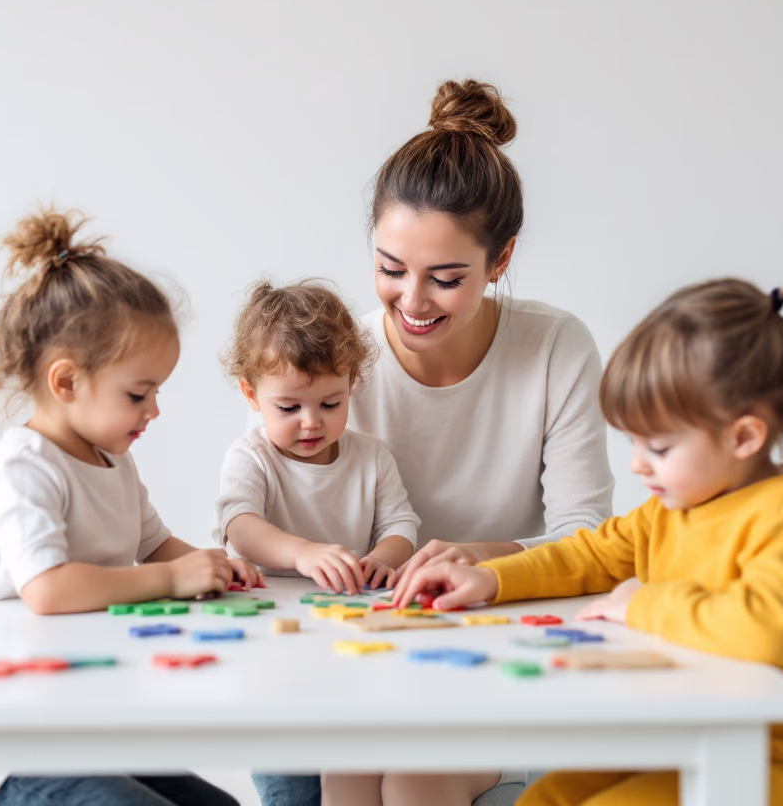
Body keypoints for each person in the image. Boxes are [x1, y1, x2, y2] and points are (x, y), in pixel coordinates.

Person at [255, 78, 615, 806]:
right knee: (323, 776)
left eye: (446, 279)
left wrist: (482, 558)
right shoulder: (333, 355)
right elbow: (258, 494)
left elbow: (588, 538)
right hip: (352, 657)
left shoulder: (554, 348)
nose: (412, 302)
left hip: (487, 653)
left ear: (501, 261)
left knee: (418, 780)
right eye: (390, 270)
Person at [399, 279, 783, 806]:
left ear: (744, 437)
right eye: (631, 442)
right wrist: (490, 578)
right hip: (690, 734)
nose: (637, 465)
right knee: (545, 798)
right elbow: (588, 554)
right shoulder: (669, 510)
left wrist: (642, 604)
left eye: (659, 446)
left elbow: (769, 633)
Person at [0, 206, 258, 806]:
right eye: (139, 393)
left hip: (76, 718)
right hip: (6, 744)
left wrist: (213, 565)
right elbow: (48, 590)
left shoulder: (112, 458)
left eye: (157, 392)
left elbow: (153, 542)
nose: (154, 411)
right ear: (66, 383)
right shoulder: (25, 466)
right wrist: (170, 577)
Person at [214, 278, 418, 594]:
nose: (311, 422)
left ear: (352, 383)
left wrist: (382, 559)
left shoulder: (372, 457)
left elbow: (400, 526)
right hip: (266, 603)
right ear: (251, 394)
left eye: (330, 404)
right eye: (288, 408)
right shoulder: (250, 457)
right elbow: (240, 527)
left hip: (347, 604)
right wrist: (302, 554)